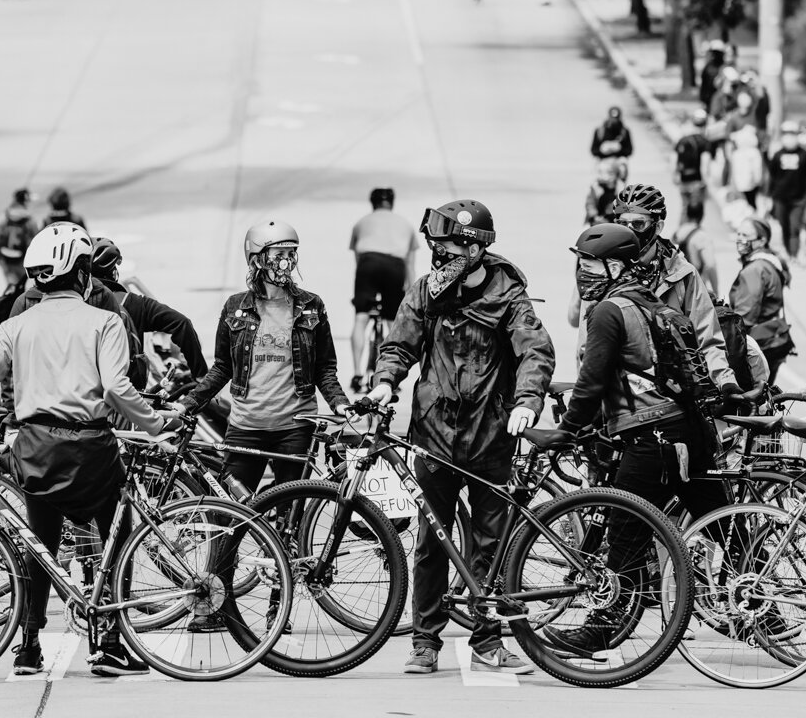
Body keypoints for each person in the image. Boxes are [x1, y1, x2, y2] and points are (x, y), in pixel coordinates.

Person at [0, 223, 179, 677]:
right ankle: (109, 641)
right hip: (92, 451)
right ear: (80, 273)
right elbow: (117, 388)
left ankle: (29, 646)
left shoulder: (16, 325)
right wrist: (155, 424)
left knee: (42, 546)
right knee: (118, 538)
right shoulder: (105, 321)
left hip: (36, 449)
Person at [365, 199, 553, 677]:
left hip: (491, 438)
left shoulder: (510, 295)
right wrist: (386, 380)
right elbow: (399, 345)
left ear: (472, 248)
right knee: (433, 543)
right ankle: (424, 642)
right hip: (434, 436)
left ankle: (487, 641)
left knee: (490, 546)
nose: (439, 253)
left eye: (447, 245)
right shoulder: (426, 292)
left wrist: (527, 401)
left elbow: (535, 350)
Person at [549, 223, 730, 654]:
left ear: (615, 266)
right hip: (690, 433)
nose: (582, 272)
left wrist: (565, 431)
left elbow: (591, 382)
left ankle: (604, 624)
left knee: (625, 529)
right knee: (724, 525)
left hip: (653, 437)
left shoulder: (609, 311)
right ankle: (764, 609)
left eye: (590, 263)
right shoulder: (652, 305)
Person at [178, 220, 350, 498]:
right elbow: (223, 368)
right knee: (231, 517)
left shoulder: (311, 306)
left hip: (295, 429)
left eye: (291, 254)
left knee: (288, 520)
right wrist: (189, 404)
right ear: (257, 259)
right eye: (278, 255)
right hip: (246, 428)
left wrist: (340, 403)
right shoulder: (235, 308)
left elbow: (324, 368)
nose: (286, 263)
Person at [608, 184, 740, 394]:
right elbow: (586, 345)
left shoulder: (683, 273)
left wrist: (726, 382)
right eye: (622, 223)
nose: (629, 231)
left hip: (674, 389)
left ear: (658, 227)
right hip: (621, 394)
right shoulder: (604, 270)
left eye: (638, 224)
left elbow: (707, 336)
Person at [92, 236, 208, 381]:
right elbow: (182, 323)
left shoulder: (72, 303)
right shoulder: (133, 303)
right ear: (113, 271)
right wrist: (200, 375)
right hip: (127, 391)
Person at [348, 188, 420, 391]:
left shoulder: (361, 222)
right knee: (392, 321)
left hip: (368, 263)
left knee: (361, 318)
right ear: (392, 203)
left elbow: (358, 260)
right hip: (394, 266)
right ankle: (391, 374)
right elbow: (410, 263)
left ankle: (357, 374)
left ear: (373, 203)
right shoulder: (405, 224)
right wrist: (410, 292)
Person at [729, 217, 794, 385]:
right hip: (776, 339)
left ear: (762, 240)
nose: (740, 239)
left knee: (751, 400)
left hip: (761, 345)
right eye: (738, 233)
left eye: (745, 234)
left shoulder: (754, 270)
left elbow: (744, 316)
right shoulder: (769, 261)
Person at [672, 200, 719, 296]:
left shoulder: (677, 234)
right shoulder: (702, 236)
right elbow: (710, 265)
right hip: (696, 288)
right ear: (702, 214)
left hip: (677, 288)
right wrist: (716, 292)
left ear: (687, 214)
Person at [0, 189, 38, 287]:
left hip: (6, 257)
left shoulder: (6, 216)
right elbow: (36, 240)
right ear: (25, 201)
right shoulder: (29, 220)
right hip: (22, 259)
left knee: (12, 289)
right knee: (24, 288)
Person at [675, 110, 710, 209]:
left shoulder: (683, 140)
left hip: (683, 180)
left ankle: (683, 225)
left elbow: (674, 158)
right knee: (696, 212)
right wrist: (705, 181)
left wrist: (675, 175)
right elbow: (705, 163)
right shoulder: (705, 142)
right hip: (697, 182)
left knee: (685, 209)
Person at [590, 106, 635, 177]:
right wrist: (603, 150)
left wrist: (618, 149)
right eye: (612, 118)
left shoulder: (624, 131)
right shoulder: (600, 131)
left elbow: (629, 150)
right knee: (602, 175)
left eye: (616, 118)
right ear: (609, 117)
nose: (614, 120)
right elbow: (593, 150)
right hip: (603, 161)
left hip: (618, 160)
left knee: (623, 168)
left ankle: (622, 187)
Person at [584, 159, 621, 226]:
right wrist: (594, 216)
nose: (606, 176)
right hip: (597, 220)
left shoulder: (620, 187)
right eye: (602, 173)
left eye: (611, 173)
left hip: (614, 221)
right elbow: (590, 204)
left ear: (617, 174)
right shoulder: (596, 187)